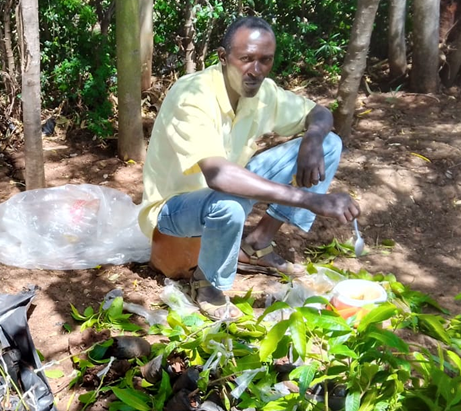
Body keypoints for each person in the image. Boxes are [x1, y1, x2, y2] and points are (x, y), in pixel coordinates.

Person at [138, 16, 361, 319]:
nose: (255, 71)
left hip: (223, 193)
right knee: (228, 205)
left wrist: (312, 138)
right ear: (223, 57)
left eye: (265, 61)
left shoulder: (262, 93)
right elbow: (218, 176)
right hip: (173, 212)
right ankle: (207, 285)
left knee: (329, 144)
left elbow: (319, 113)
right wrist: (311, 199)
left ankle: (257, 243)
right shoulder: (192, 96)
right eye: (246, 59)